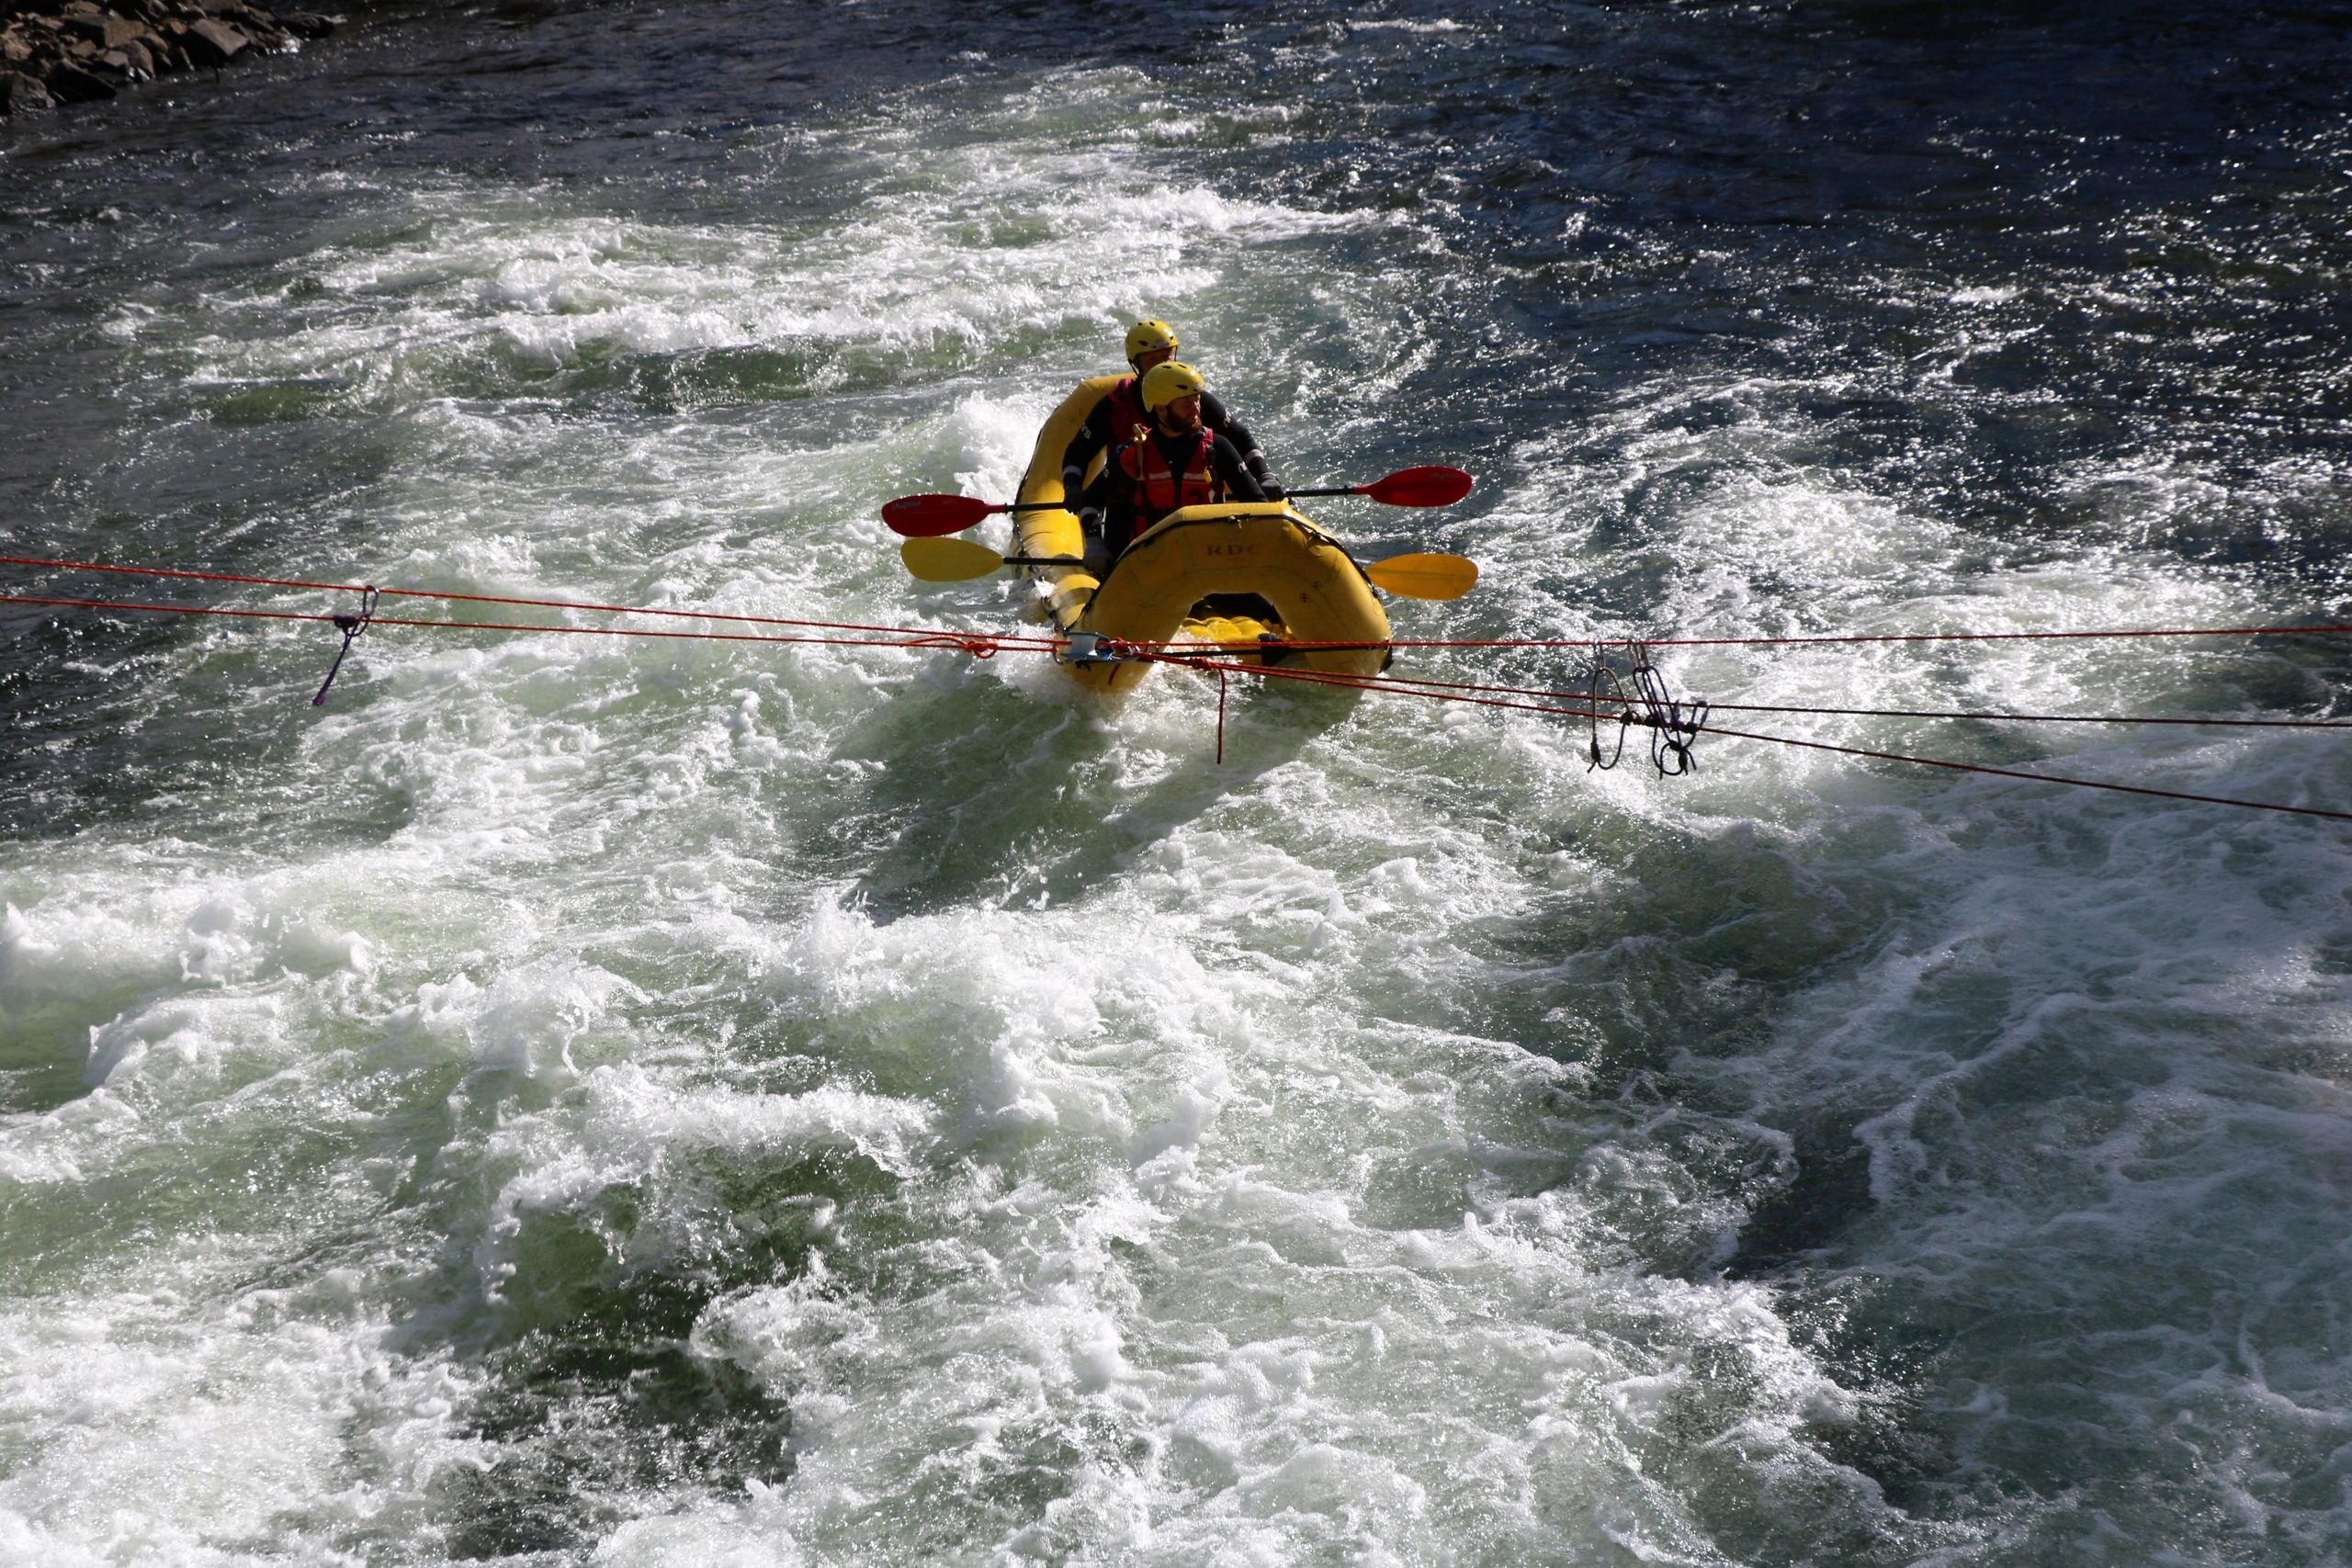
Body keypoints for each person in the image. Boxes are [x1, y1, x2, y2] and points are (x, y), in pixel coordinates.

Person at [1060, 320, 1281, 510]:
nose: (1162, 366)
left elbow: (1239, 435)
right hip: (1129, 509)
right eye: (1152, 360)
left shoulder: (1192, 399)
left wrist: (1264, 475)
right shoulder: (1115, 408)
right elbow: (1078, 452)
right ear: (1135, 365)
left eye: (1167, 358)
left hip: (1198, 511)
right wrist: (1073, 489)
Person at [1093, 360, 1266, 564]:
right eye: (1186, 403)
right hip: (1151, 564)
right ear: (1161, 408)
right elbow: (1091, 500)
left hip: (1209, 561)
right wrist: (1093, 541)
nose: (1195, 409)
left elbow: (1258, 503)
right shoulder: (1133, 453)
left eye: (1197, 400)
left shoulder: (1218, 447)